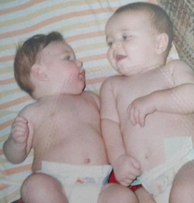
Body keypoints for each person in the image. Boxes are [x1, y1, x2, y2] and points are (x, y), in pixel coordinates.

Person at [100, 2, 194, 203]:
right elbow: (109, 124)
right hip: (150, 183)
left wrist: (154, 101)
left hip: (192, 162)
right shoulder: (112, 86)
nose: (115, 46)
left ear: (159, 44)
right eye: (109, 42)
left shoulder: (172, 70)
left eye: (125, 37)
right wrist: (118, 158)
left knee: (186, 192)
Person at [3, 32, 139, 203]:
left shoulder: (92, 98)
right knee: (34, 185)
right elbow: (14, 157)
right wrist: (16, 142)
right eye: (68, 58)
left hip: (98, 186)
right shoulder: (33, 111)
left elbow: (114, 122)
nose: (79, 62)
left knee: (123, 196)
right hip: (54, 183)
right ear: (41, 73)